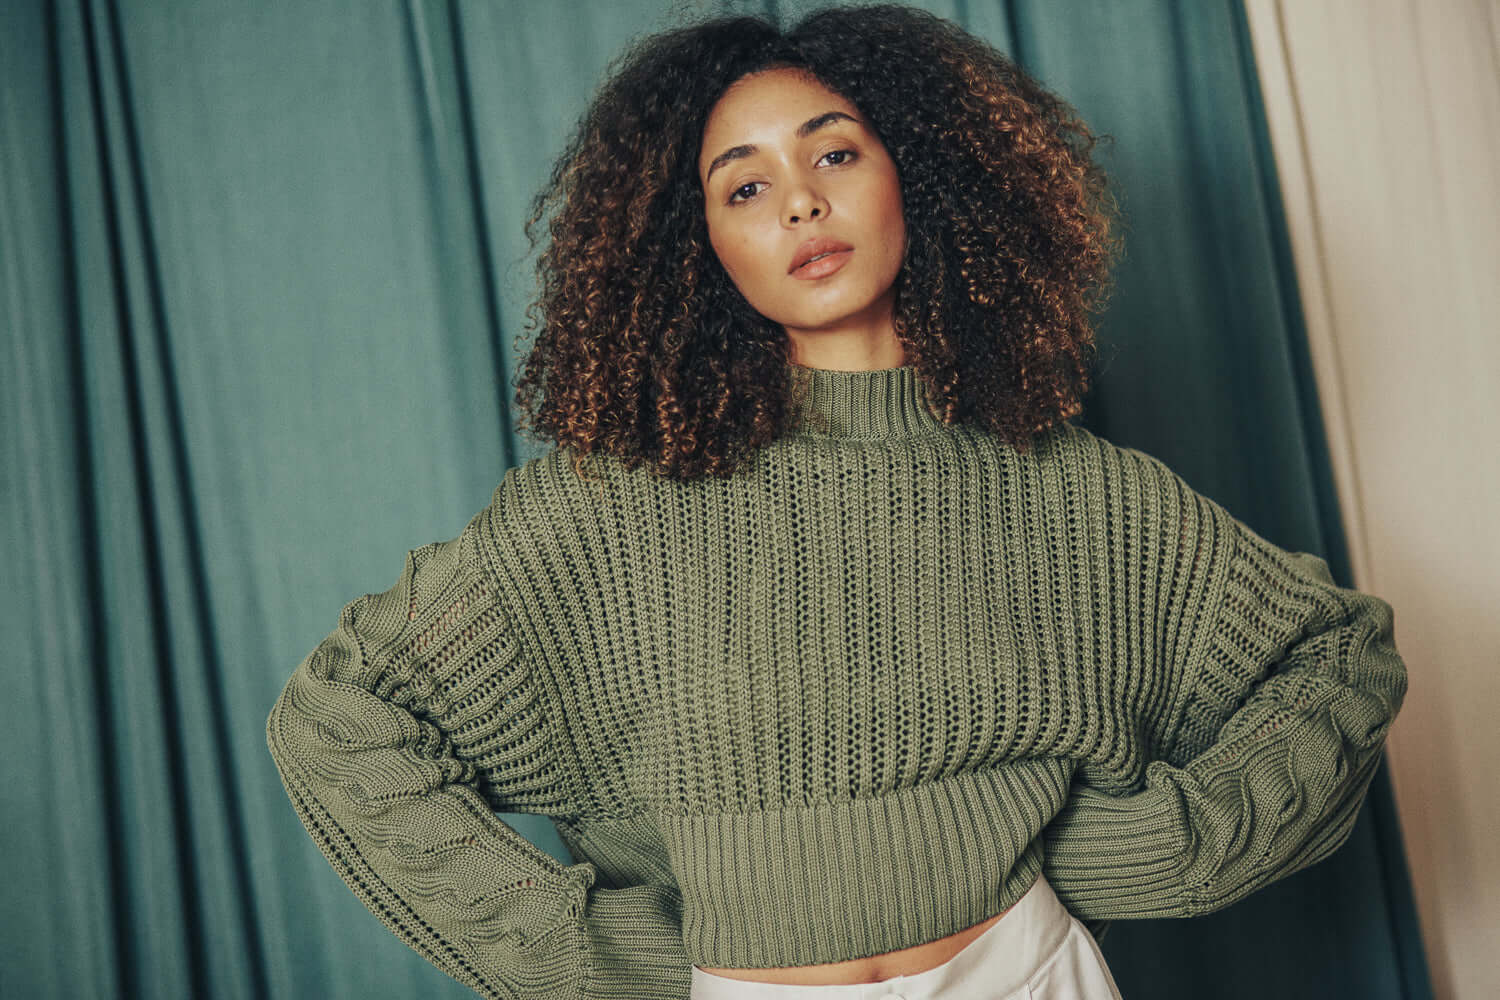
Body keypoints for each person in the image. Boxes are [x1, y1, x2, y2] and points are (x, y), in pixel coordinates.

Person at [264, 5, 1408, 999]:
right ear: (700, 245)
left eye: (837, 156)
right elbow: (339, 719)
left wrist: (1166, 847)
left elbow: (1341, 658)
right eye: (747, 185)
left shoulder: (1074, 490)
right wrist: (581, 955)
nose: (801, 204)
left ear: (921, 169)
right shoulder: (611, 512)